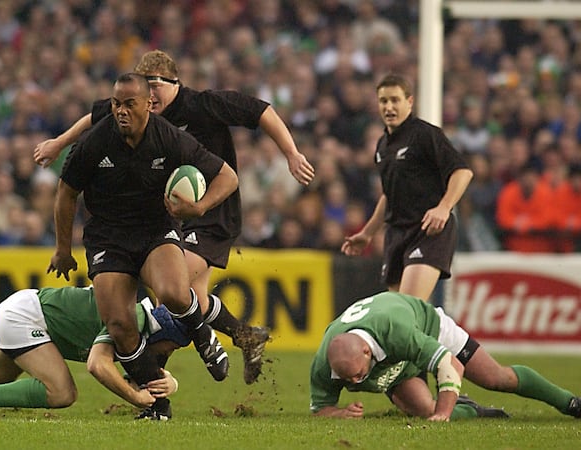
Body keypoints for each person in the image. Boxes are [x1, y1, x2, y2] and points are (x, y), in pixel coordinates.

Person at [35, 50, 315, 384]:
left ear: (175, 83)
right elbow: (94, 117)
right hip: (168, 211)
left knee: (170, 295)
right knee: (176, 302)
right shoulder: (133, 112)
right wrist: (59, 143)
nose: (150, 95)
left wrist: (292, 153)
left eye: (156, 86)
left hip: (211, 211)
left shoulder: (202, 105)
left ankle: (175, 364)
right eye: (145, 87)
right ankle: (236, 340)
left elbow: (261, 111)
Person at [49, 73, 239, 419]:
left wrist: (199, 207)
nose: (120, 111)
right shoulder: (95, 141)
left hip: (155, 230)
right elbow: (65, 194)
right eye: (116, 104)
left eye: (129, 104)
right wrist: (63, 249)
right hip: (108, 238)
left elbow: (228, 176)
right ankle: (157, 405)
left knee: (173, 293)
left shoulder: (168, 137)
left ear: (148, 106)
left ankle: (203, 338)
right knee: (121, 327)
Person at [310, 291, 581, 420]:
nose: (356, 382)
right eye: (349, 379)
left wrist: (443, 414)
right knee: (422, 410)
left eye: (358, 374)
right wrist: (340, 414)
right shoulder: (324, 365)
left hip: (428, 328)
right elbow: (320, 410)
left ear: (367, 351)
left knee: (496, 378)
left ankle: (569, 402)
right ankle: (474, 412)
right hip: (396, 358)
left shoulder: (397, 331)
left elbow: (449, 363)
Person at [0, 286, 188, 420]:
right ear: (163, 336)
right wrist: (135, 397)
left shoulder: (140, 324)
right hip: (25, 319)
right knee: (62, 393)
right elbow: (98, 365)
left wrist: (172, 383)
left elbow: (136, 377)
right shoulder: (131, 322)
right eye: (172, 347)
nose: (169, 353)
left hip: (22, 307)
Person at [342, 74, 473, 303]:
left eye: (395, 100)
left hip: (427, 231)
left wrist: (444, 207)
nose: (389, 107)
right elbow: (389, 195)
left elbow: (462, 172)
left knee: (406, 309)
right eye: (384, 101)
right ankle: (442, 338)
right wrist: (368, 233)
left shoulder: (424, 134)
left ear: (409, 102)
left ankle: (457, 340)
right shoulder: (382, 145)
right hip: (396, 235)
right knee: (398, 315)